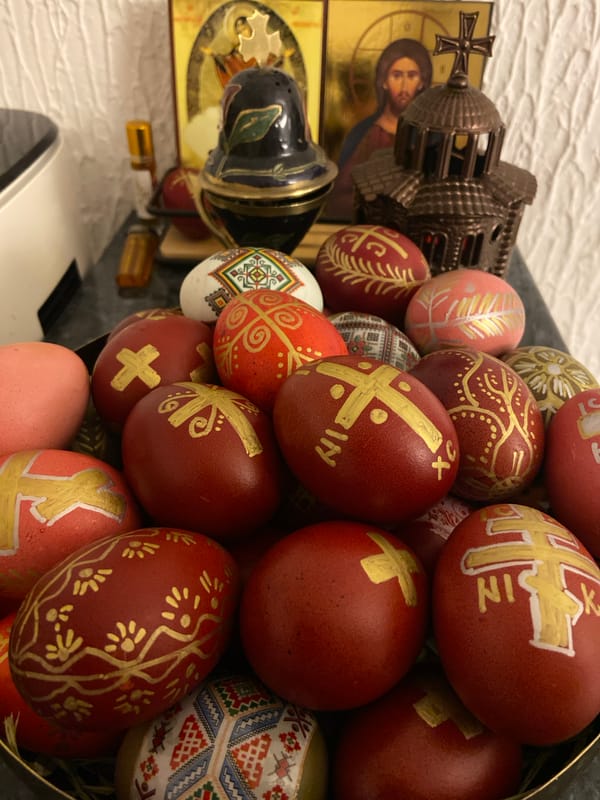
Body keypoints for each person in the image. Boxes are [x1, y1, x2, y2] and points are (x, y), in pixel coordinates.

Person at [326, 38, 433, 221]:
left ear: (422, 82)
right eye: (397, 76)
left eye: (412, 75)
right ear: (384, 81)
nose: (405, 87)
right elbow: (337, 199)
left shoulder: (432, 137)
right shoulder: (364, 134)